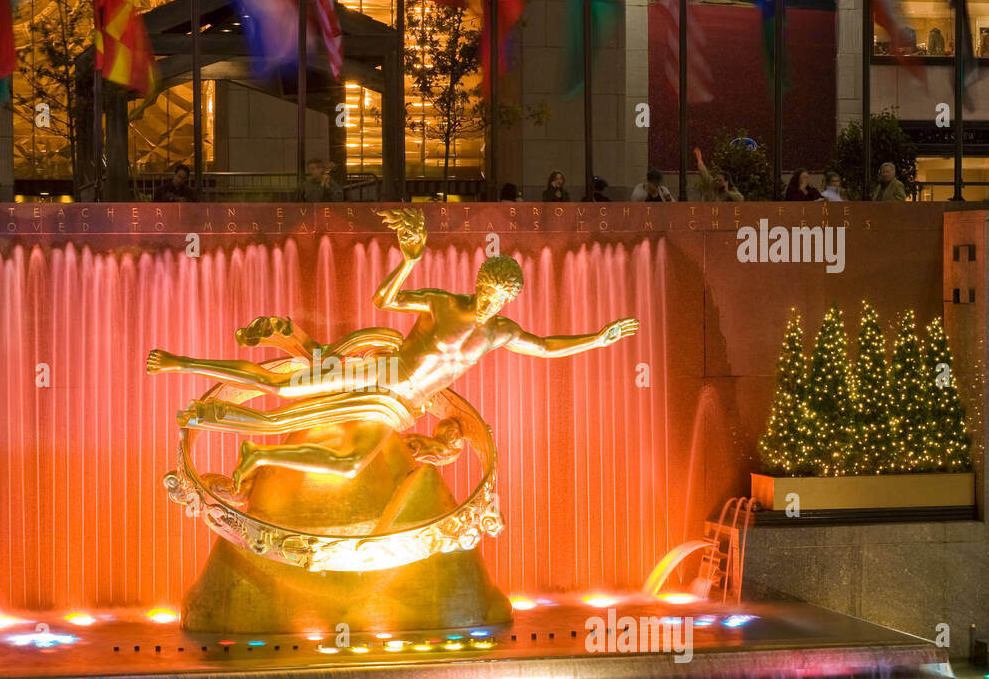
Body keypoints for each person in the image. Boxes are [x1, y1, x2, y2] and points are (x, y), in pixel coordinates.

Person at [147, 208, 638, 491]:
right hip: (378, 373)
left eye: (501, 298)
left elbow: (548, 346)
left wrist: (597, 337)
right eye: (488, 292)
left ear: (511, 299)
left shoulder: (501, 332)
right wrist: (409, 260)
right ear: (478, 283)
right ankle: (179, 363)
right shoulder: (444, 303)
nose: (491, 303)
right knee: (281, 382)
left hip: (401, 406)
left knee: (347, 464)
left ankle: (256, 454)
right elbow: (385, 300)